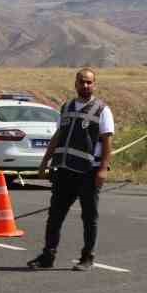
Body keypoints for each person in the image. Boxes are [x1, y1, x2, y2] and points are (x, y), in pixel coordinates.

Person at [28, 67, 114, 271]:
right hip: (65, 170)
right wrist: (45, 162)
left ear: (94, 84)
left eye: (89, 82)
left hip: (88, 171)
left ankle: (87, 257)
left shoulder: (102, 110)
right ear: (75, 84)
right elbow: (58, 136)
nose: (85, 85)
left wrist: (103, 169)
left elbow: (107, 140)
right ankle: (47, 256)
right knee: (55, 215)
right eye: (82, 81)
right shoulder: (66, 107)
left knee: (89, 217)